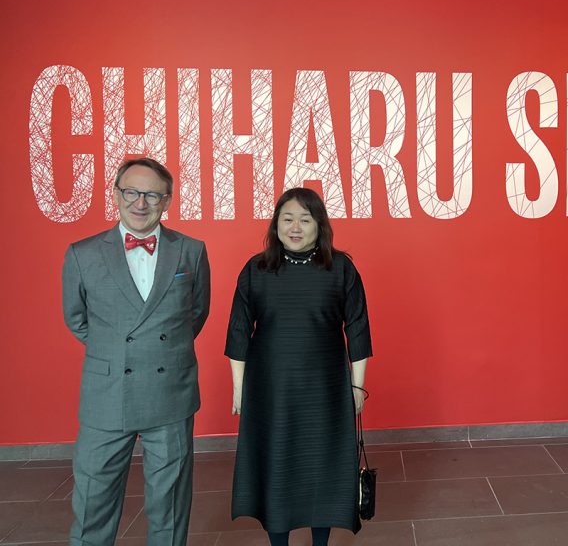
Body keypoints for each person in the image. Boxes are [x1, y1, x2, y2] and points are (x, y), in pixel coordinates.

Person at [62, 157, 211, 545]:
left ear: (167, 201)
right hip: (107, 396)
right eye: (131, 192)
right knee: (93, 502)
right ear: (116, 194)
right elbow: (78, 320)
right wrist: (115, 354)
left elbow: (196, 314)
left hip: (170, 393)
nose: (140, 203)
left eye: (152, 195)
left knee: (170, 505)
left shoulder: (191, 251)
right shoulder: (82, 253)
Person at [226, 187, 373, 545]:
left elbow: (358, 330)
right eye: (287, 218)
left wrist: (356, 389)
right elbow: (238, 333)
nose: (295, 227)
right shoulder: (256, 270)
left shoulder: (340, 268)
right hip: (270, 388)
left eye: (305, 220)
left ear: (319, 225)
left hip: (325, 388)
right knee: (277, 468)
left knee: (320, 469)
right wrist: (239, 389)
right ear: (275, 223)